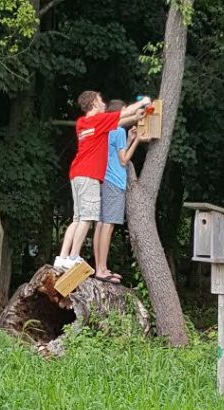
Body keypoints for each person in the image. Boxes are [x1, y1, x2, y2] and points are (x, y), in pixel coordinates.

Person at [54, 91, 150, 271]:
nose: (102, 102)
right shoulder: (98, 120)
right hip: (89, 175)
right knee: (87, 218)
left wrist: (134, 117)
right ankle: (74, 257)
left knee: (77, 218)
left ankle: (62, 257)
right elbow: (123, 113)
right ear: (93, 104)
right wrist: (143, 102)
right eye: (99, 100)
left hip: (77, 173)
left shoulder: (82, 123)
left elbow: (117, 122)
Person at [93, 99, 144, 283]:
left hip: (102, 179)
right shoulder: (119, 130)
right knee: (109, 225)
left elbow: (115, 153)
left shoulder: (107, 129)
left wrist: (129, 140)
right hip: (115, 181)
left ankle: (99, 267)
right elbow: (123, 160)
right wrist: (137, 140)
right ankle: (103, 269)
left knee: (100, 223)